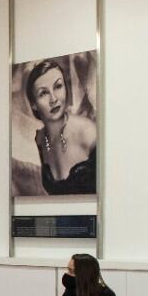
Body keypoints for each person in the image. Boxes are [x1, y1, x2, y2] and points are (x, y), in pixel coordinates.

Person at [26, 59, 97, 195]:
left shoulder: (88, 132)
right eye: (43, 93)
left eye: (58, 86)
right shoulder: (38, 140)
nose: (53, 99)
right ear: (33, 104)